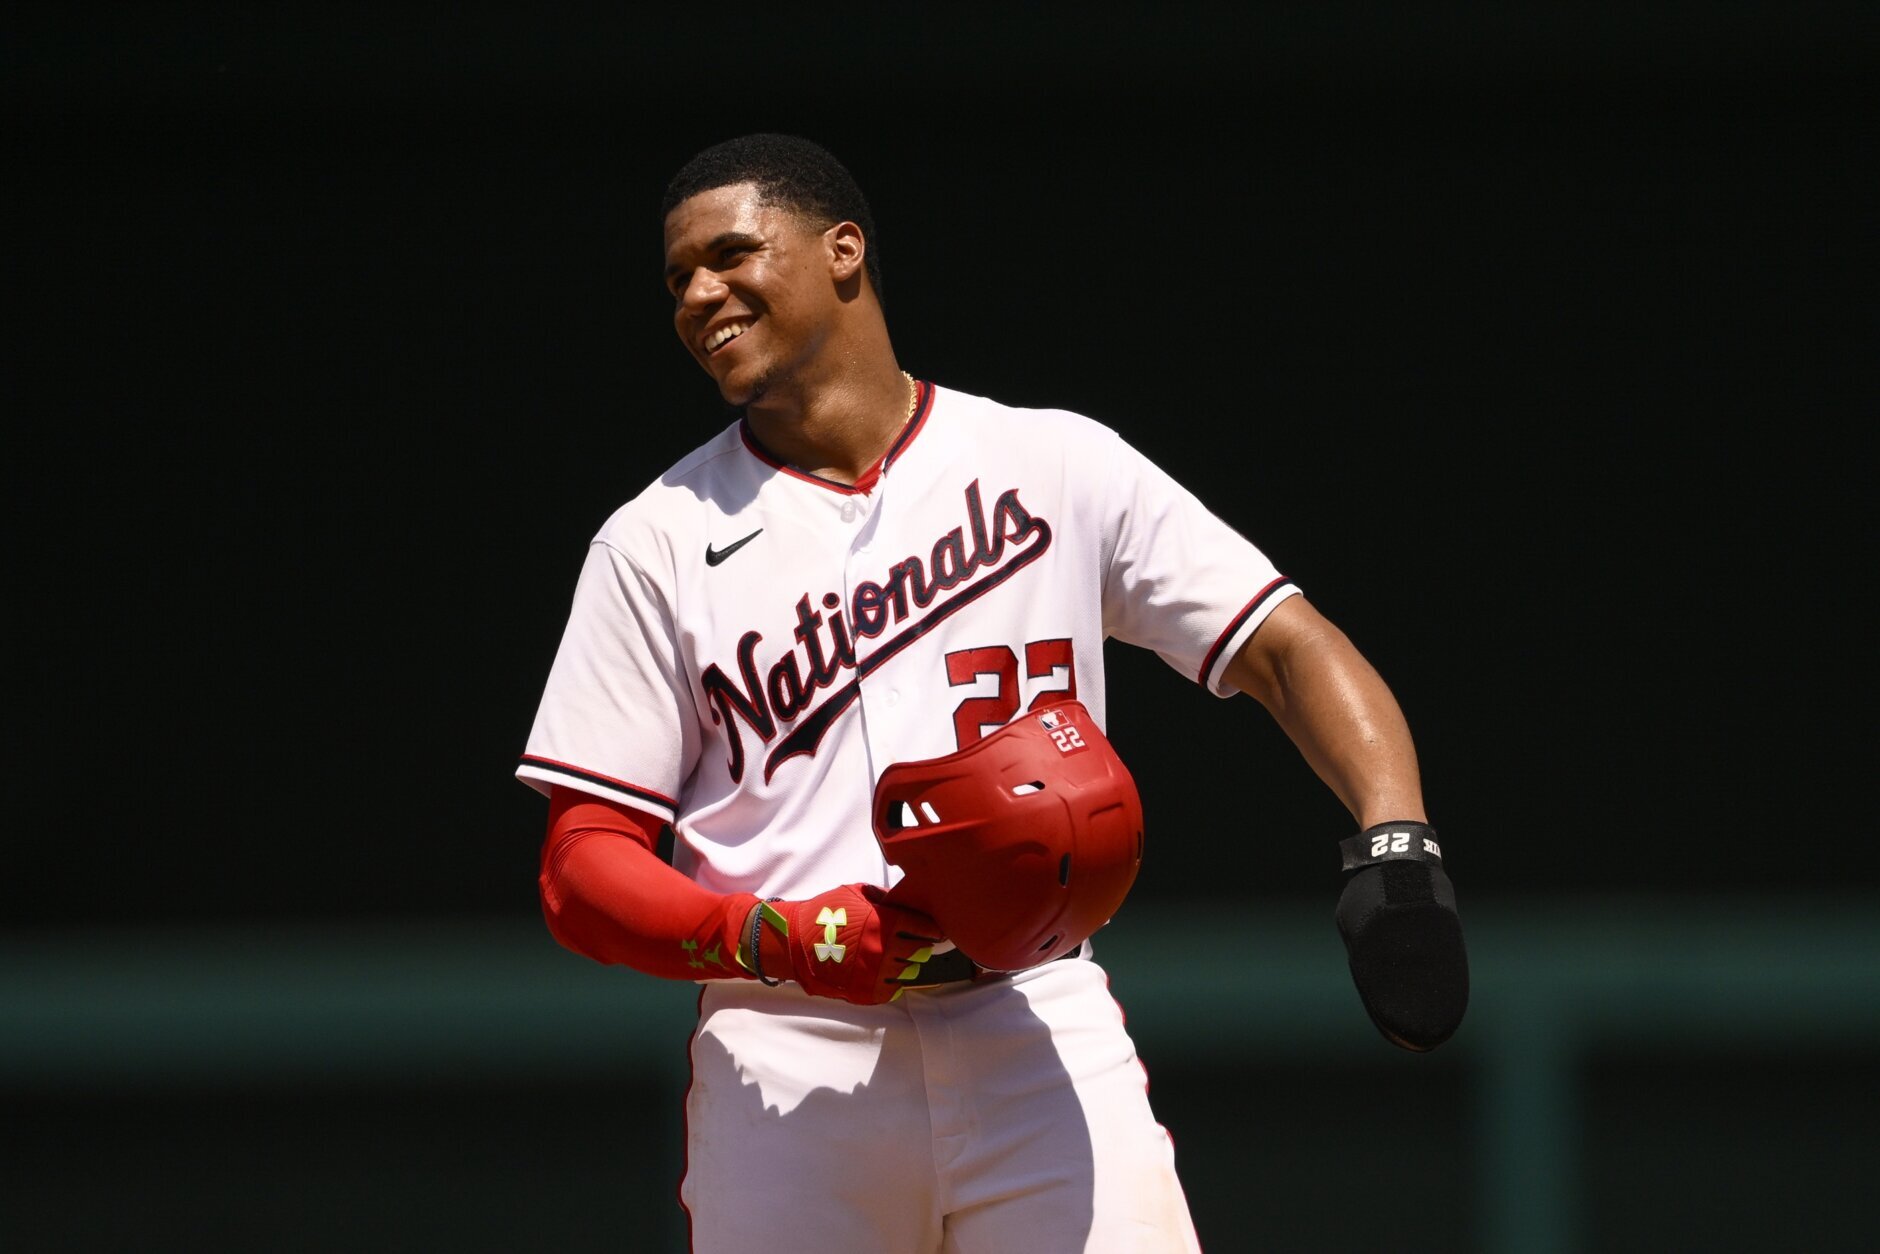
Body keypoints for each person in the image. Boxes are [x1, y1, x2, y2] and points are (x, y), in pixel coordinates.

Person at [516, 133, 1466, 1252]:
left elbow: (1284, 645)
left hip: (1033, 1015)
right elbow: (582, 866)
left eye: (729, 255)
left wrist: (1397, 843)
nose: (697, 295)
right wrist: (776, 938)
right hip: (788, 1055)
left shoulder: (1051, 462)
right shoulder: (656, 540)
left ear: (842, 249)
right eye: (678, 277)